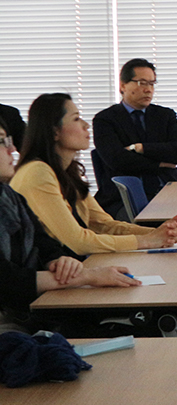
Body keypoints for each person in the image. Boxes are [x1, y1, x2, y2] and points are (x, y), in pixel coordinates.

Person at [0, 118, 139, 333]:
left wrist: (58, 261)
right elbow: (7, 282)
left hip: (36, 303)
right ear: (54, 131)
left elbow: (43, 241)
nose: (12, 149)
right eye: (2, 142)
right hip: (16, 319)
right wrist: (87, 276)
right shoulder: (37, 172)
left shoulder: (8, 195)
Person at [10, 93, 177, 257]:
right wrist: (146, 241)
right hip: (49, 272)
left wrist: (158, 232)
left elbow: (103, 225)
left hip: (73, 266)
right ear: (55, 132)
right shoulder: (37, 172)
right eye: (76, 119)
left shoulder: (67, 172)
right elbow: (78, 242)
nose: (86, 125)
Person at [92, 58, 177, 219]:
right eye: (142, 83)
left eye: (152, 84)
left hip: (167, 192)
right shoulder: (105, 119)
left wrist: (141, 148)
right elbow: (117, 160)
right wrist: (159, 164)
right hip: (123, 199)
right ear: (123, 86)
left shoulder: (164, 115)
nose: (148, 90)